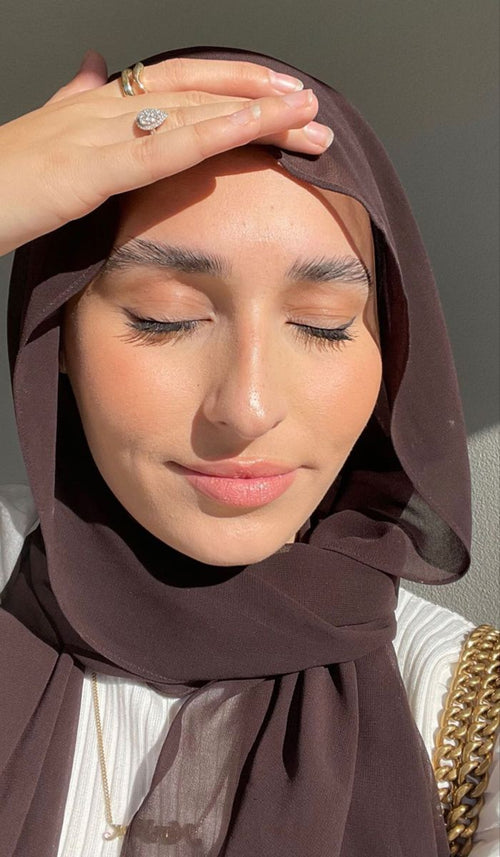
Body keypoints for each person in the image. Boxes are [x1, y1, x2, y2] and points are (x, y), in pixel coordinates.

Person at [0, 44, 498, 857]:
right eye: (164, 317)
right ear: (56, 335)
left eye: (323, 325)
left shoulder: (464, 711)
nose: (249, 408)